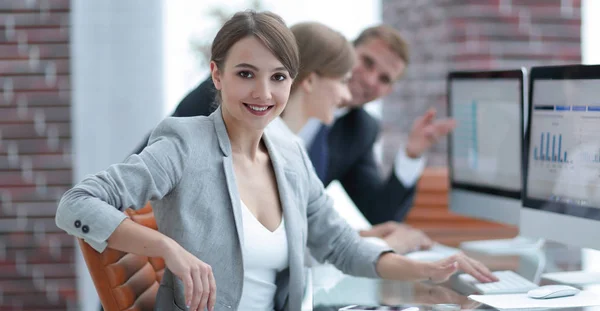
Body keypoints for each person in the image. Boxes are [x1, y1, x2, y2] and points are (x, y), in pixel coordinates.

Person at [59, 11, 496, 311]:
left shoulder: (289, 155)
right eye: (245, 74)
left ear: (294, 80)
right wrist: (167, 248)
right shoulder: (184, 140)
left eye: (278, 77)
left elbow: (340, 244)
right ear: (217, 75)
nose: (263, 94)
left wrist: (427, 270)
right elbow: (77, 204)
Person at [132, 24, 455, 227]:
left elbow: (381, 214)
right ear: (345, 54)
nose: (369, 80)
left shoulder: (360, 130)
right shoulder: (240, 86)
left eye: (384, 79)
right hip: (166, 237)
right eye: (367, 62)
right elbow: (151, 163)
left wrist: (412, 154)